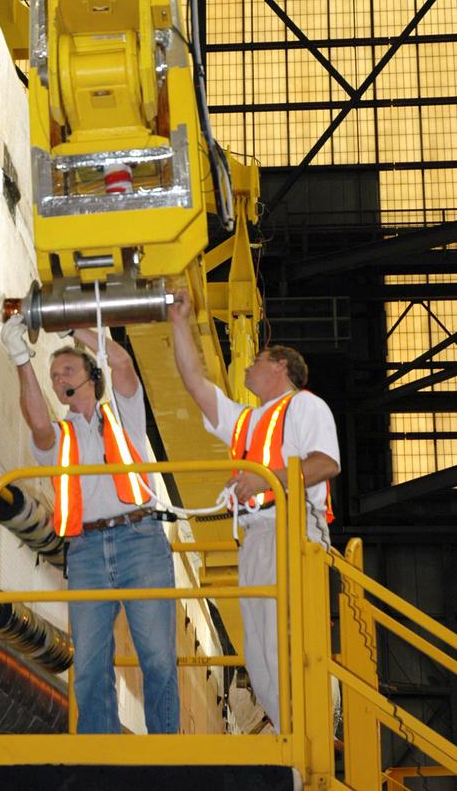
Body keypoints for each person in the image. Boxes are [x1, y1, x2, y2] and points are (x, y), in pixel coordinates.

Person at [167, 289, 340, 731]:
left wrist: (263, 478)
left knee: (286, 639)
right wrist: (178, 321)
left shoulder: (306, 405)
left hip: (293, 530)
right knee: (261, 650)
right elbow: (194, 383)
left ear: (280, 366)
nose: (246, 365)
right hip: (258, 538)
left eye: (255, 360)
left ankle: (310, 732)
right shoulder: (247, 420)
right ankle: (293, 738)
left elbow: (325, 463)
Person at [0, 315, 179, 734]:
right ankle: (99, 750)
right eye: (54, 374)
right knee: (90, 664)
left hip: (141, 541)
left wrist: (69, 326)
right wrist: (21, 358)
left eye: (67, 370)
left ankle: (166, 752)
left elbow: (123, 365)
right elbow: (38, 424)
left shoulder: (123, 413)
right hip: (85, 552)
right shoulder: (59, 438)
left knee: (157, 657)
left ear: (91, 376)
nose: (59, 378)